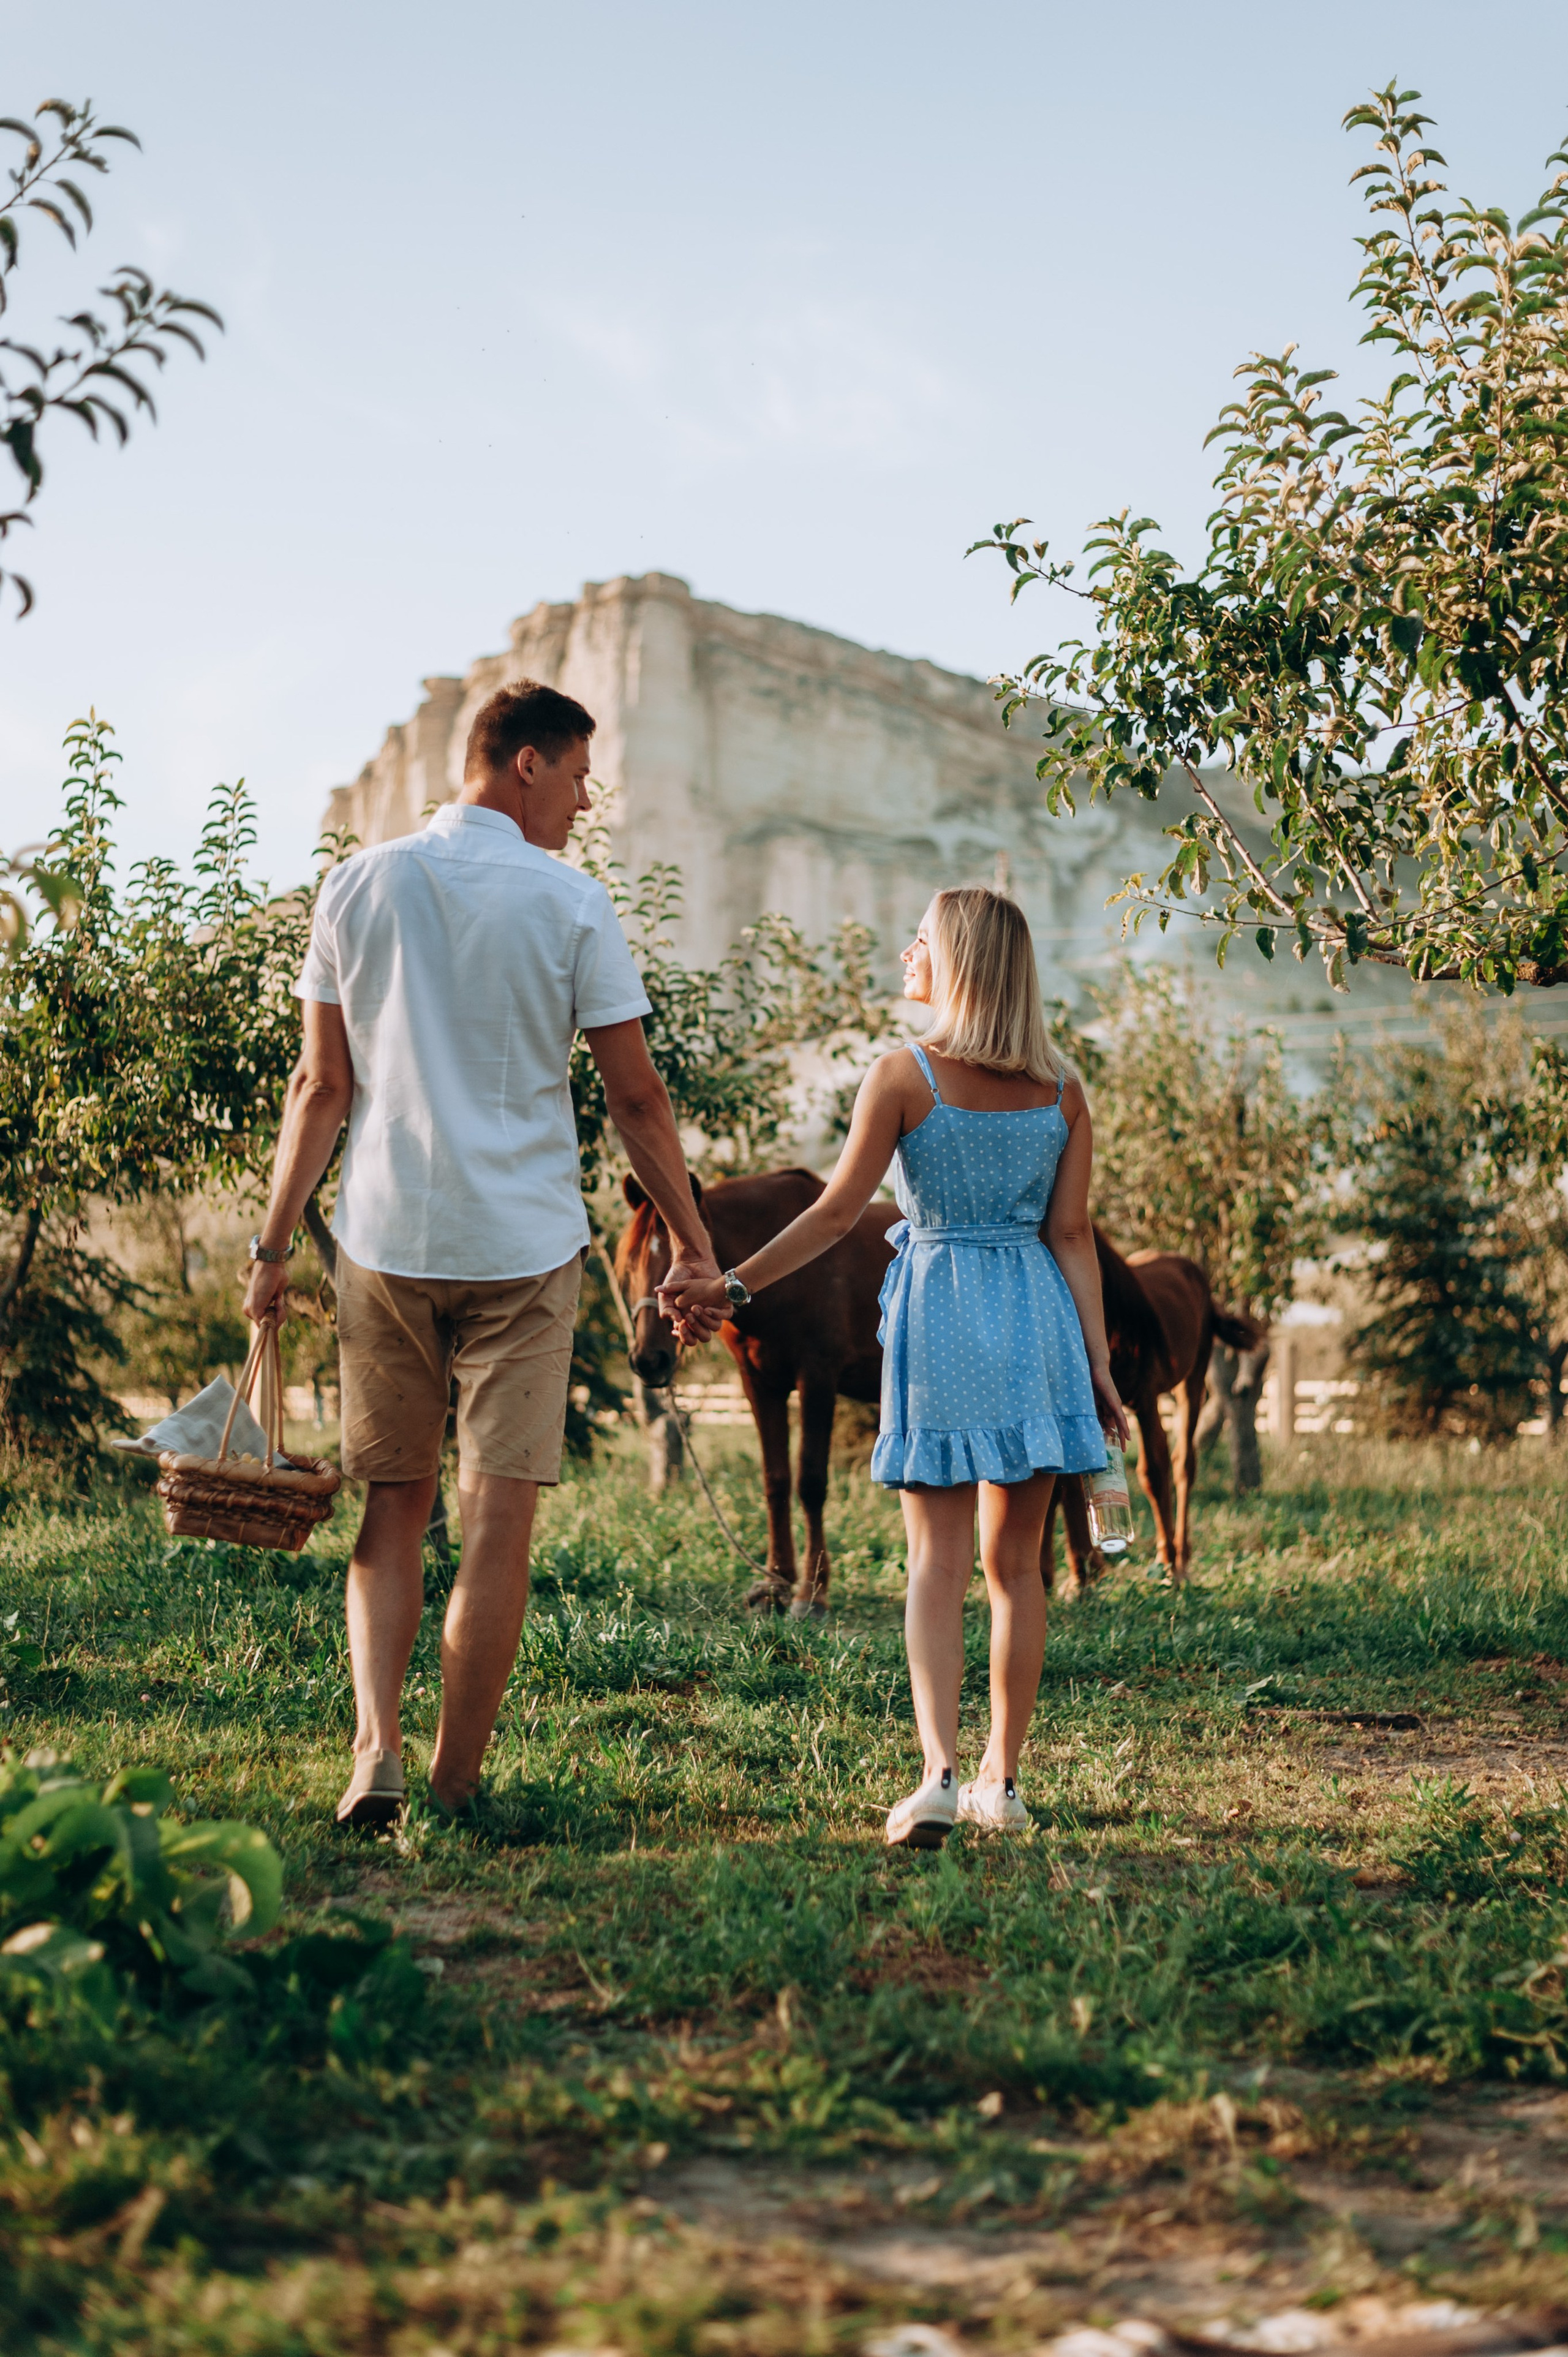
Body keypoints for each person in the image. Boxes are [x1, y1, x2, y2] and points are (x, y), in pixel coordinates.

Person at [243, 680, 722, 1826]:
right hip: (524, 1248)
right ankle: (456, 1784)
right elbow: (637, 1099)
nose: (584, 798)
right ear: (523, 766)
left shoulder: (357, 885)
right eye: (575, 775)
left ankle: (377, 1754)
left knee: (394, 1509)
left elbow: (321, 1086)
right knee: (498, 1523)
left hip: (388, 1241)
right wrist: (694, 1246)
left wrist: (271, 1246)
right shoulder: (571, 902)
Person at [660, 886, 1128, 1849]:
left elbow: (835, 1216)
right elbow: (1072, 1235)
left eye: (921, 940)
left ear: (956, 961)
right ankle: (1007, 1778)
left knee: (936, 1562)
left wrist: (733, 1287)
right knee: (1018, 1571)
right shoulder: (1062, 1092)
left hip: (945, 1315)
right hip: (1037, 1317)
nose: (907, 953)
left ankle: (939, 1778)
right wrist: (1100, 1366)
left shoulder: (904, 1076)